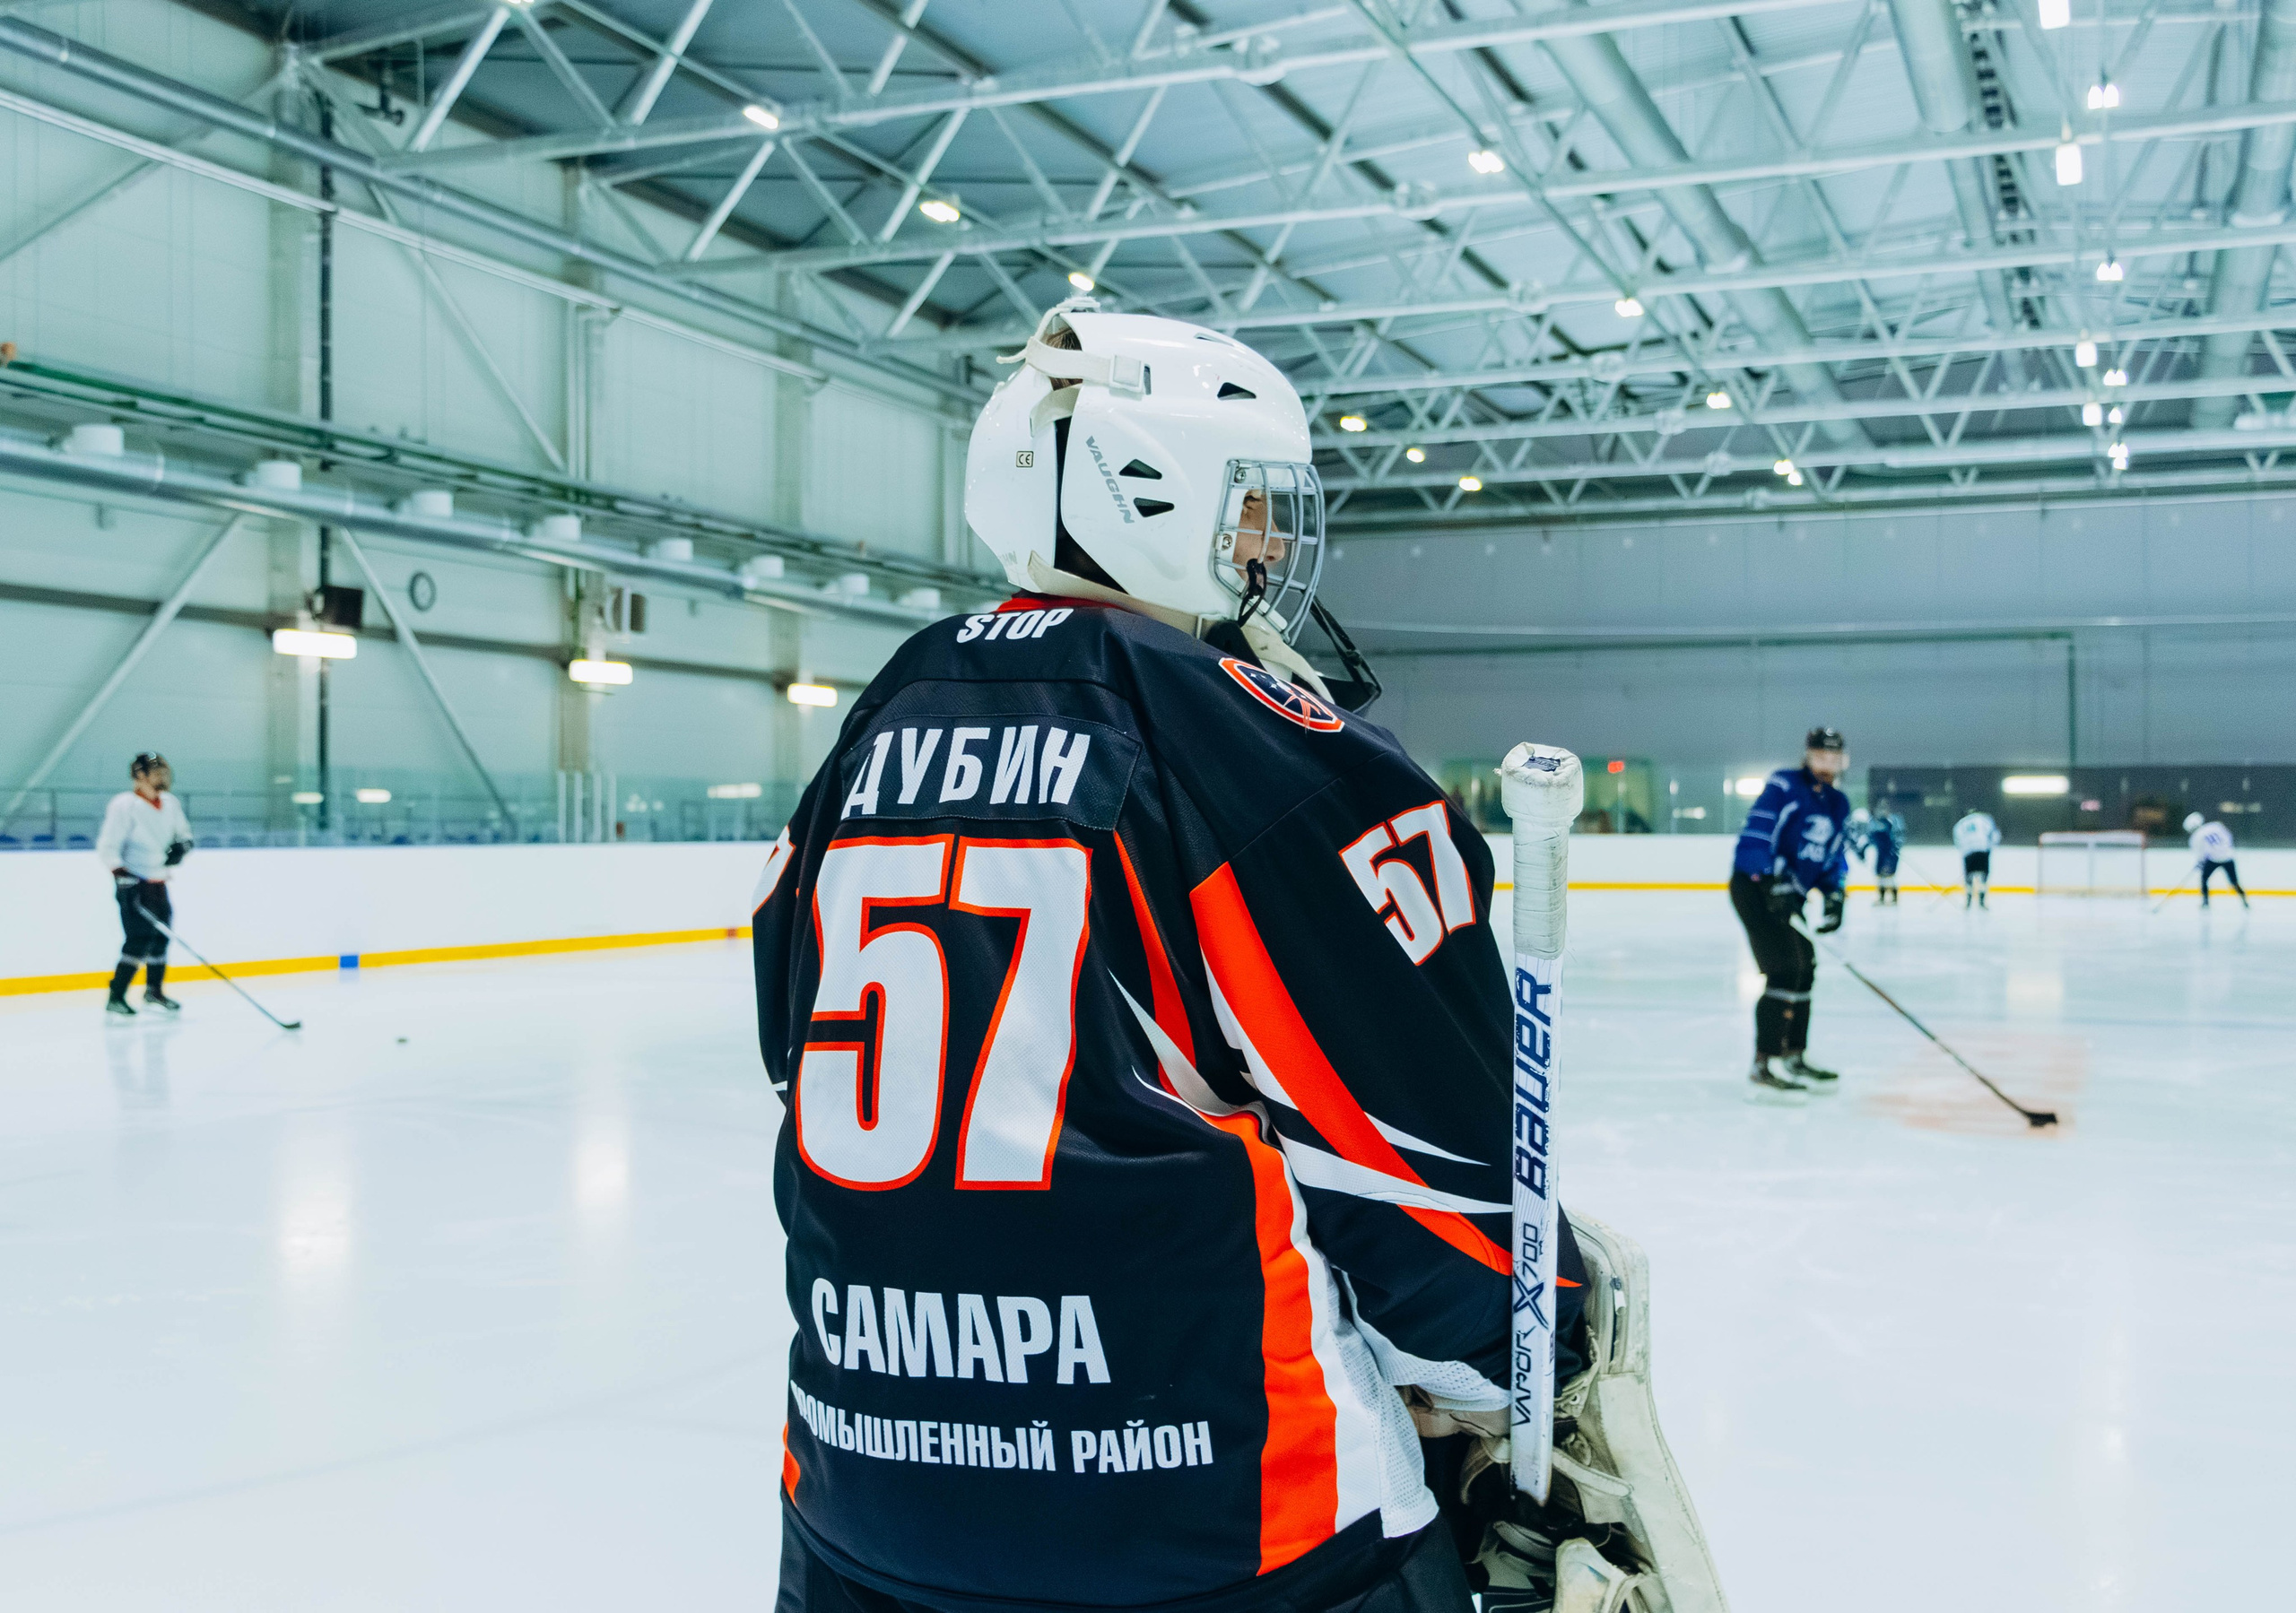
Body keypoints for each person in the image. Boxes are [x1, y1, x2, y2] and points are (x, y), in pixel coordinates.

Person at [753, 301, 1723, 1613]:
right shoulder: (1249, 742)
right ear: (1143, 488)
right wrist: (1525, 1366)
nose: (1269, 545)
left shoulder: (873, 723)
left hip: (859, 1513)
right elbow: (1418, 1176)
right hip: (1218, 1528)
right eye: (1252, 503)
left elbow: (791, 1051)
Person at [1729, 729, 1853, 1101]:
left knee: (1806, 966)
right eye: (1820, 756)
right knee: (1784, 968)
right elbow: (1758, 832)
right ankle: (1763, 1063)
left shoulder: (1838, 803)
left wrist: (1834, 894)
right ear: (1807, 756)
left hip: (1789, 895)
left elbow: (1834, 856)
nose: (1826, 764)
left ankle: (1794, 1055)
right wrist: (1764, 877)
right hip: (1755, 888)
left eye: (1833, 757)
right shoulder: (1785, 785)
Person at [93, 752, 193, 1019]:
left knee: (161, 937)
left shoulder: (170, 803)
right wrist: (120, 873)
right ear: (139, 776)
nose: (162, 778)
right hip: (134, 884)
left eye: (163, 772)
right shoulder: (124, 805)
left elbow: (183, 833)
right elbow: (108, 847)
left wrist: (183, 845)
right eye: (155, 773)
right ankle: (116, 996)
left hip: (159, 882)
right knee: (138, 939)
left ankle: (154, 992)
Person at [2184, 811, 2250, 909]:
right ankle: (2244, 901)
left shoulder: (2195, 838)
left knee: (2204, 879)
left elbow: (2200, 856)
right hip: (2228, 857)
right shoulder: (2216, 826)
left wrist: (2201, 863)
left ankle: (2205, 902)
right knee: (2234, 882)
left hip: (2213, 860)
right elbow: (2228, 837)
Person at [1952, 808, 2000, 908]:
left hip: (1968, 851)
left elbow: (1957, 841)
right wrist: (1991, 846)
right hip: (1982, 848)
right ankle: (1982, 902)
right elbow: (1995, 834)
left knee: (1968, 877)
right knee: (1983, 876)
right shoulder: (1984, 819)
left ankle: (1968, 902)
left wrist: (1964, 851)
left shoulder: (1960, 824)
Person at [1864, 805, 1905, 905]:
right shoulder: (1874, 823)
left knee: (1889, 875)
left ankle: (1894, 897)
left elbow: (1900, 835)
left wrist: (1896, 847)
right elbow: (1871, 838)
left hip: (1891, 853)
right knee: (1880, 875)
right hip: (1881, 854)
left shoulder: (1894, 821)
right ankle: (1881, 897)